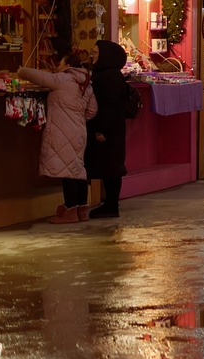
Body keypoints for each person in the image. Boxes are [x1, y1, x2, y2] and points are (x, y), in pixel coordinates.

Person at [18, 54, 98, 223]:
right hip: (79, 130)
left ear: (68, 65)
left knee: (66, 171)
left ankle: (70, 210)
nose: (59, 66)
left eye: (61, 63)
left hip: (62, 130)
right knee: (77, 169)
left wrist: (21, 70)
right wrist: (77, 118)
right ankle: (82, 209)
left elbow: (36, 76)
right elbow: (92, 111)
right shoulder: (86, 84)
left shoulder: (62, 79)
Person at [85, 41, 129, 219]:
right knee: (109, 165)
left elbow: (109, 105)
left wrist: (101, 129)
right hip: (111, 127)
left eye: (95, 52)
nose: (92, 55)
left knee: (111, 166)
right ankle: (110, 204)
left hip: (109, 129)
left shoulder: (110, 76)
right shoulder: (108, 74)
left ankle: (111, 204)